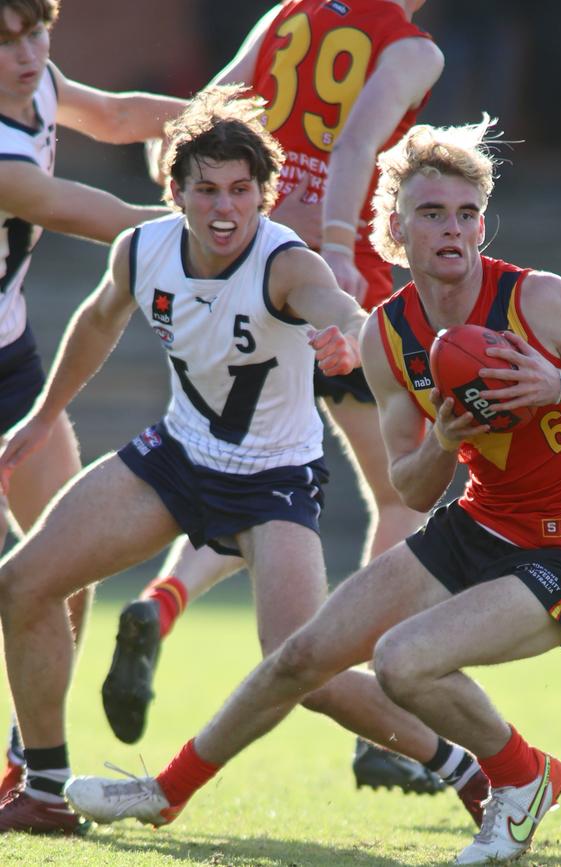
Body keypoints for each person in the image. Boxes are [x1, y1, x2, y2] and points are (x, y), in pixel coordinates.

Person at [63, 115, 561, 865]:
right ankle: (166, 791)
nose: (453, 229)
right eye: (431, 213)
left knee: (402, 662)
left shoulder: (541, 303)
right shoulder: (389, 335)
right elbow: (407, 482)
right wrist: (446, 438)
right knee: (300, 656)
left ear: (482, 223)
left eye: (467, 213)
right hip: (477, 525)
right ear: (396, 230)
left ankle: (523, 776)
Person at [0, 85, 487, 837]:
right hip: (176, 460)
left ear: (263, 194)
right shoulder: (144, 249)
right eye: (206, 190)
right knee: (23, 582)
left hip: (274, 485)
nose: (224, 208)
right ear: (176, 192)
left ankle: (464, 768)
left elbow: (344, 312)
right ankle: (45, 787)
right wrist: (42, 415)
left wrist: (343, 341)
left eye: (240, 190)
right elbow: (97, 323)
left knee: (301, 669)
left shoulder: (284, 263)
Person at [102, 0, 448, 796]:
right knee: (402, 492)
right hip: (326, 275)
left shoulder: (291, 8)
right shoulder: (411, 47)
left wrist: (188, 213)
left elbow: (211, 105)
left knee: (247, 473)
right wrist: (335, 251)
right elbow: (358, 140)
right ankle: (381, 722)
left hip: (245, 265)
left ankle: (165, 596)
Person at [0, 0, 185, 797]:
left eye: (34, 32)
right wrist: (229, 222)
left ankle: (27, 751)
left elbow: (112, 115)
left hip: (11, 359)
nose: (25, 54)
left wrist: (223, 120)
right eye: (3, 43)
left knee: (65, 565)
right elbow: (105, 218)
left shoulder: (39, 82)